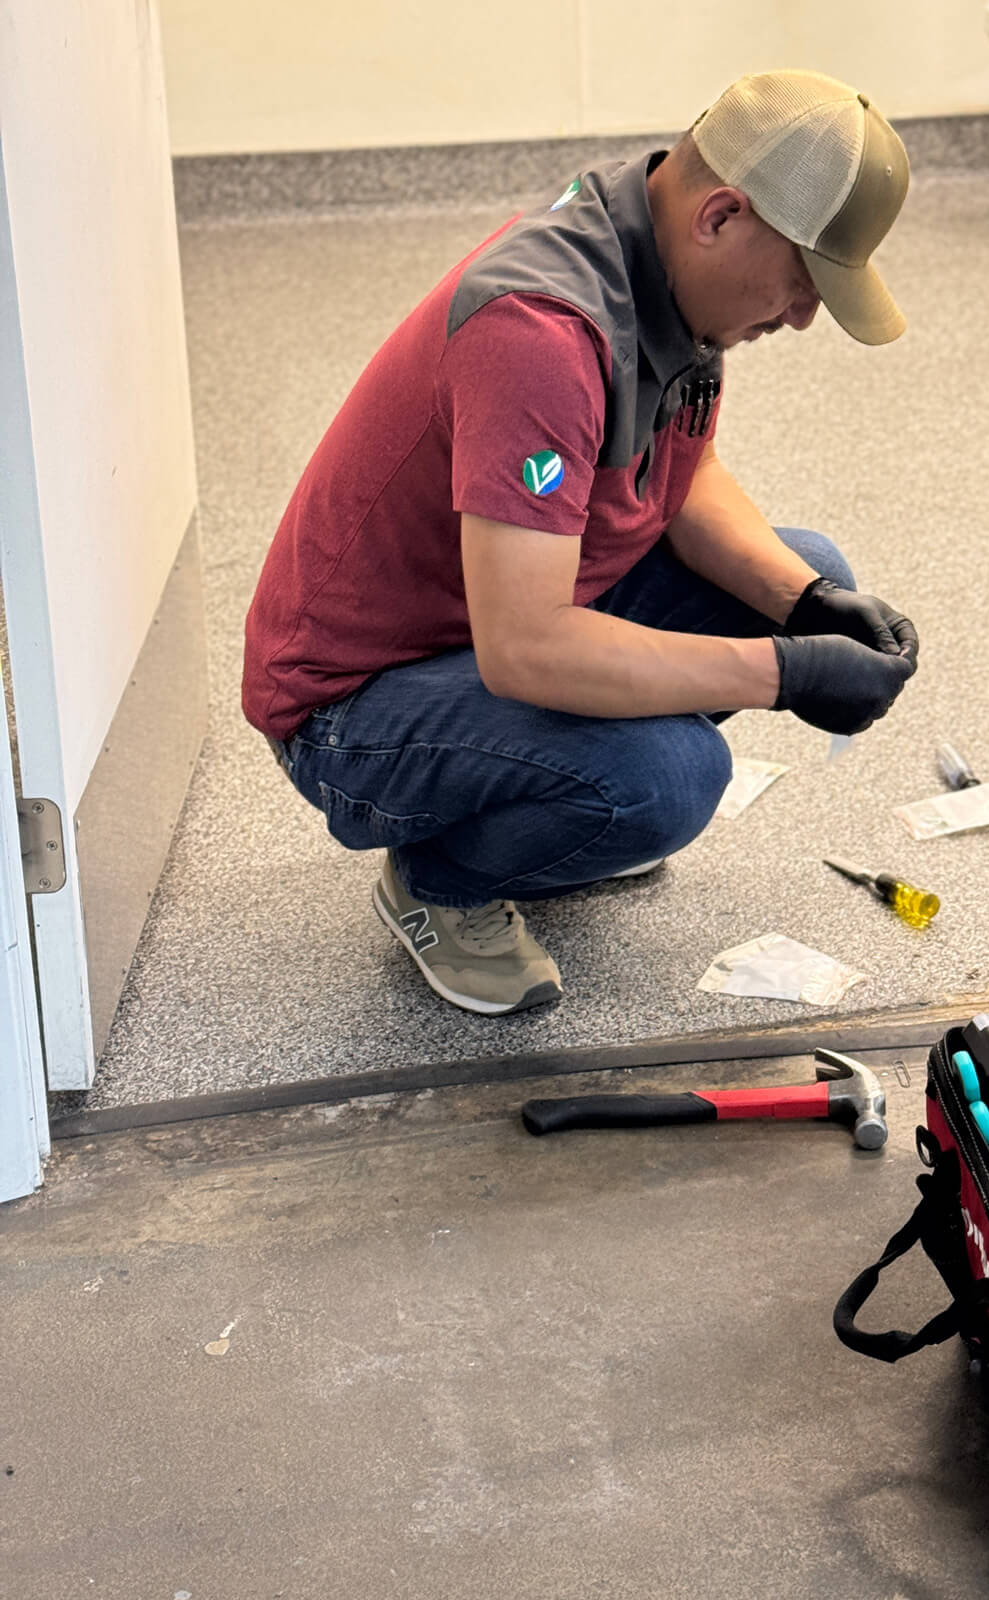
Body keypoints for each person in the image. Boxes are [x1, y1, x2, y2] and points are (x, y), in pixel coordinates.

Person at [241, 69, 921, 1017]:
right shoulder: (541, 332)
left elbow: (683, 474)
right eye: (806, 279)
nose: (805, 315)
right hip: (356, 706)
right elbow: (527, 647)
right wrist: (783, 672)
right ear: (721, 216)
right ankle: (440, 883)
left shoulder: (660, 251)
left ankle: (546, 799)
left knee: (812, 571)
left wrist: (805, 608)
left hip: (495, 614)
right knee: (668, 778)